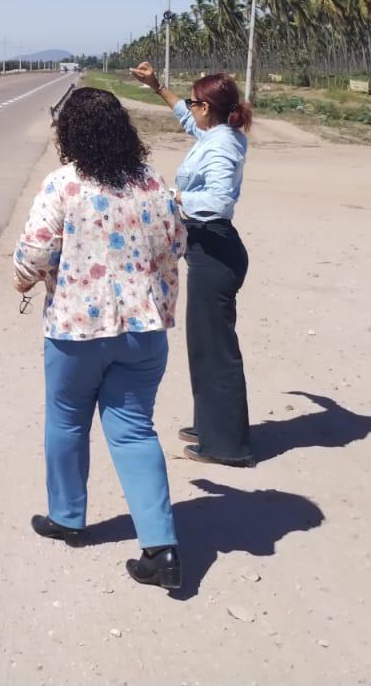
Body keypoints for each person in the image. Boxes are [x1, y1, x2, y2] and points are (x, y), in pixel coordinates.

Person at [14, 87, 187, 590]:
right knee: (134, 431)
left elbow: (35, 253)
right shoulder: (153, 182)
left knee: (67, 423)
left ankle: (68, 520)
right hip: (144, 330)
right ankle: (162, 550)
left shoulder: (63, 185)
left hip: (76, 331)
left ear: (69, 134)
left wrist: (22, 278)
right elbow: (179, 242)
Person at [129, 62, 254, 468]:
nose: (191, 109)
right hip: (207, 251)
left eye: (195, 101)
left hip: (216, 252)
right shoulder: (217, 134)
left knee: (217, 350)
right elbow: (186, 120)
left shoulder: (220, 145)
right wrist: (157, 87)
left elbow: (218, 203)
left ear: (208, 108)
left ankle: (228, 445)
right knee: (204, 346)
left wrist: (176, 199)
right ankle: (210, 426)